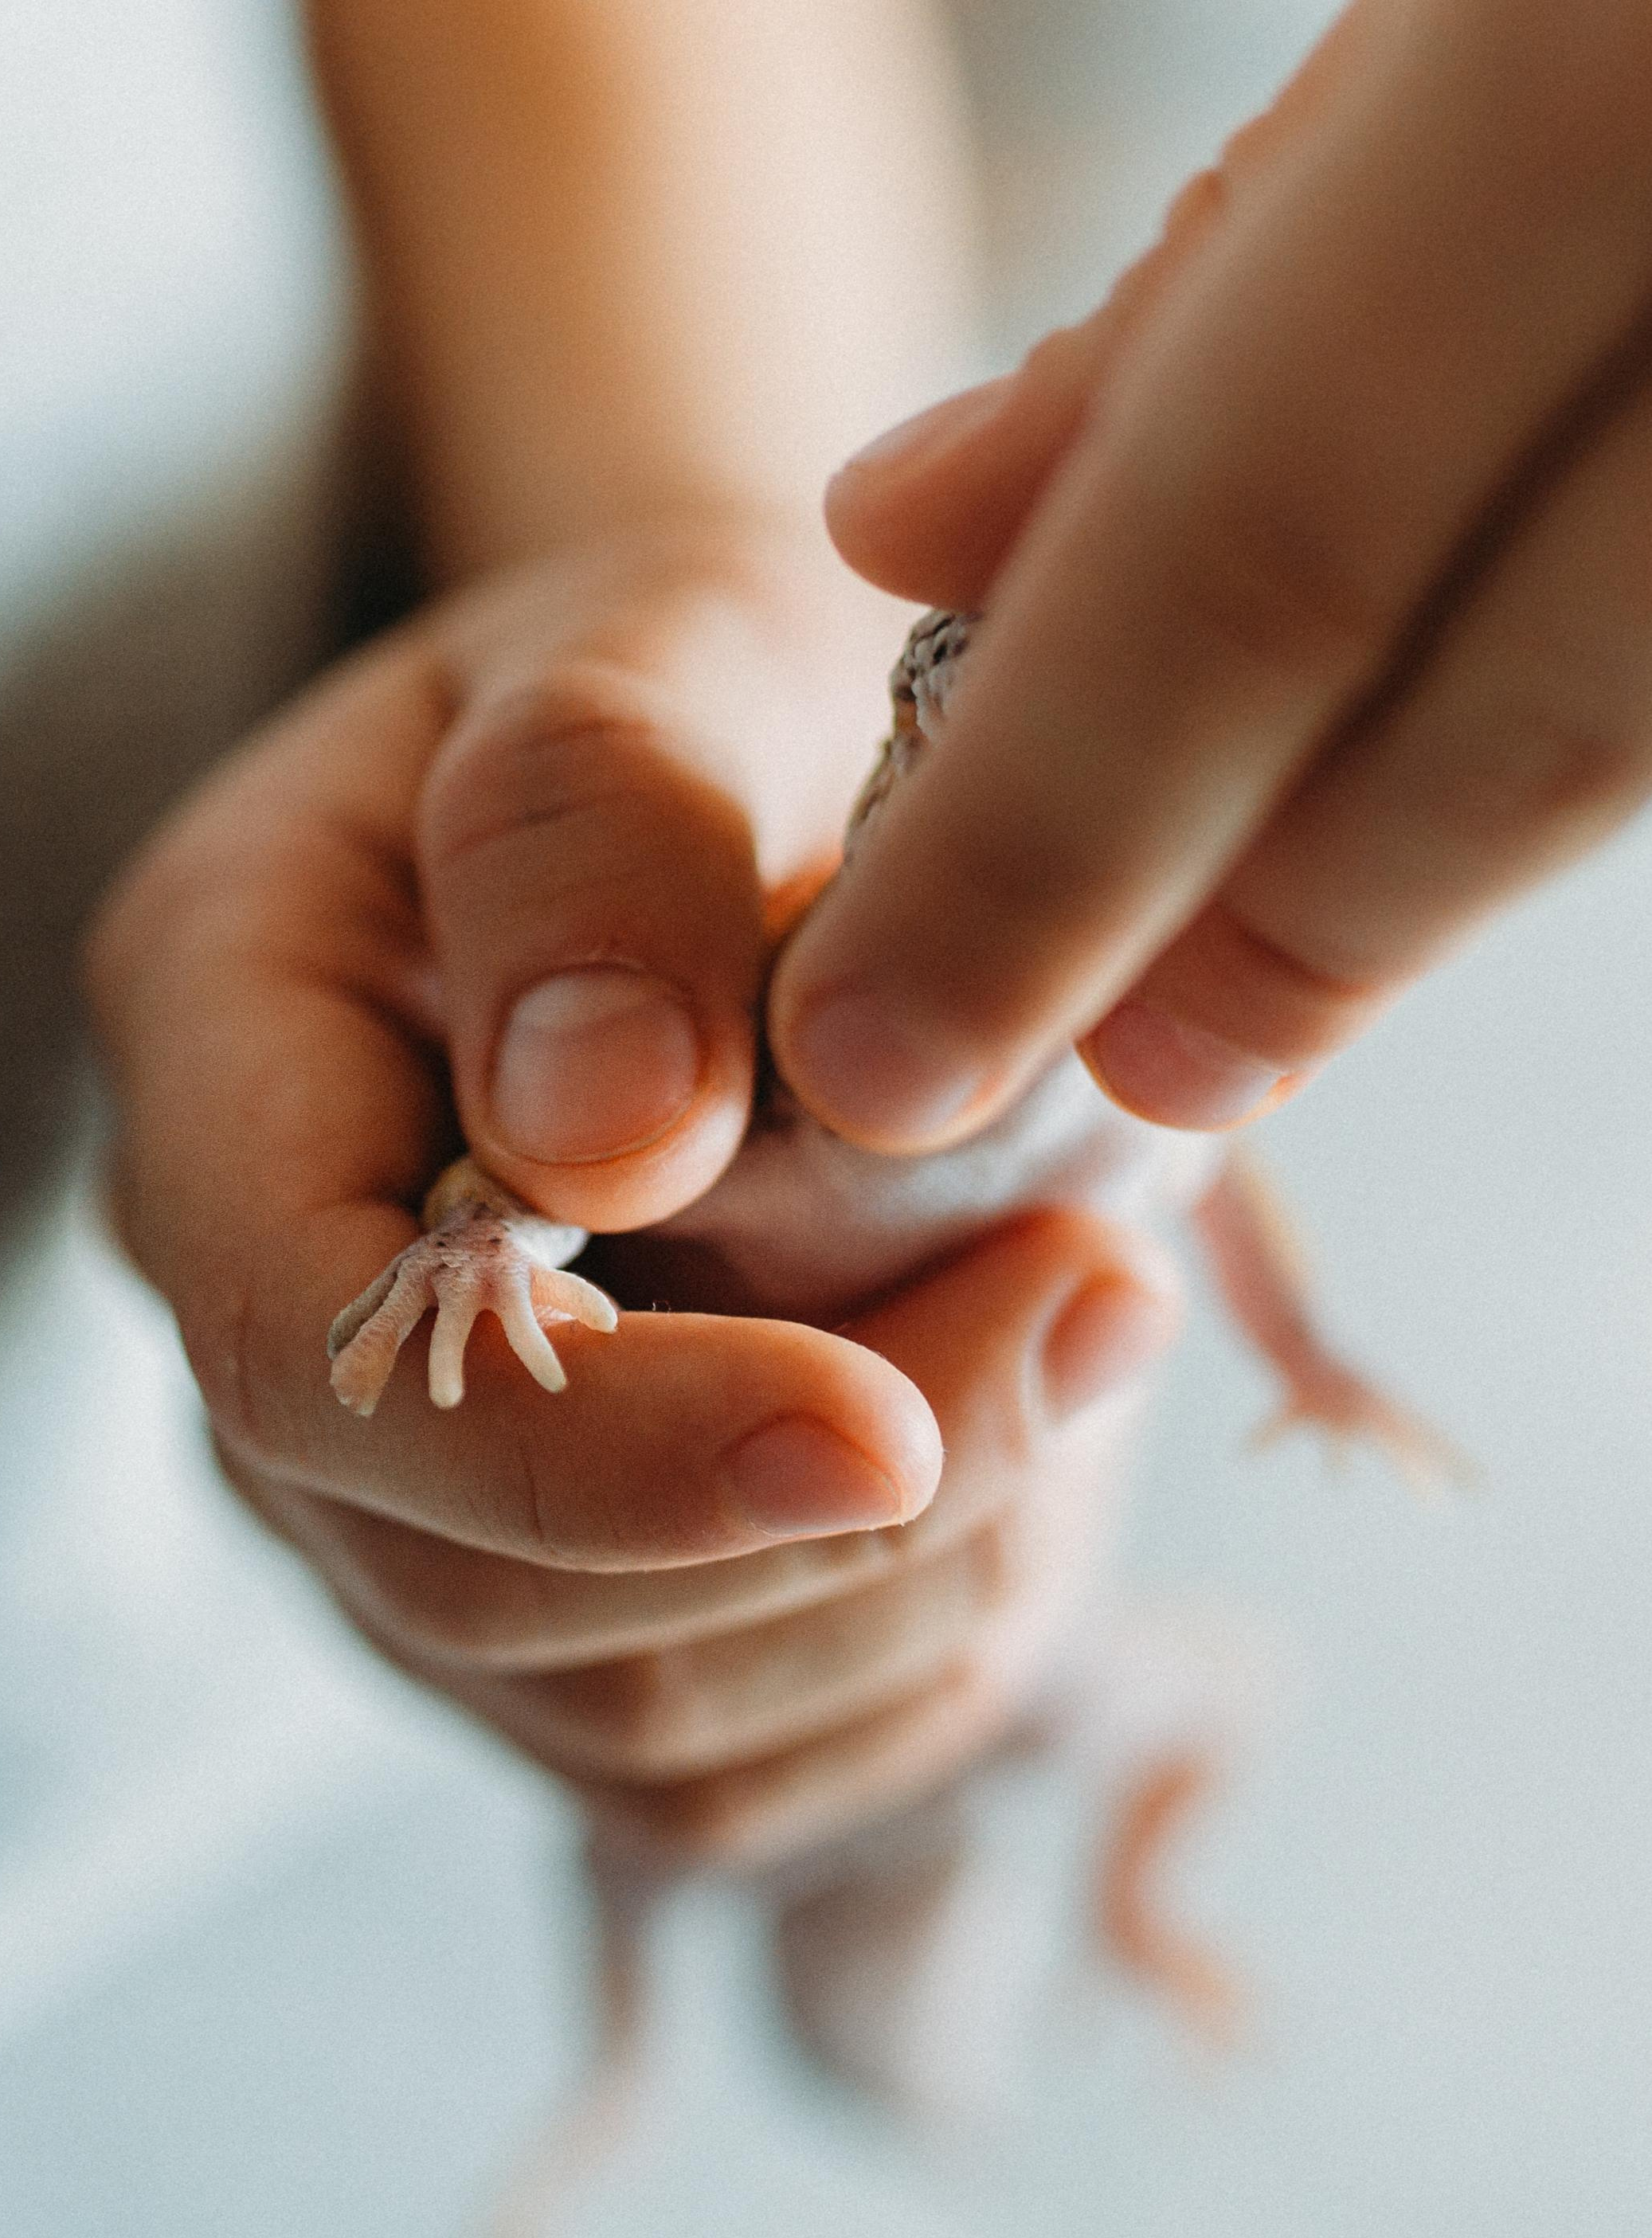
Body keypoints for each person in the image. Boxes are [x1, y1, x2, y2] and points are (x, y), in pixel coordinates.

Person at [88, 0, 1652, 1850]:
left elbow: (1209, 1170)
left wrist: (688, 538)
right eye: (946, 696)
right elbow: (576, 1154)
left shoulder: (1136, 1026)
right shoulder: (827, 1012)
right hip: (157, 1505)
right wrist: (478, 1241)